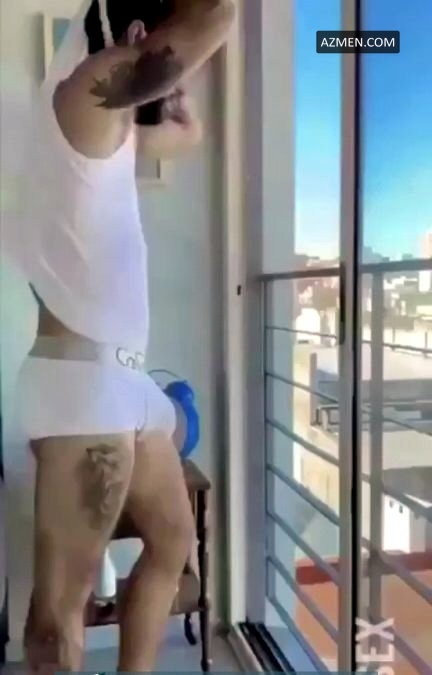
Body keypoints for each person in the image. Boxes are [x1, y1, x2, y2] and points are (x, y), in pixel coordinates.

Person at [7, 0, 235, 672]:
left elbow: (177, 138)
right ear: (136, 38)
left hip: (124, 385)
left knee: (172, 543)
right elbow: (215, 16)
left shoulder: (97, 129)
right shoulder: (84, 93)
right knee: (58, 620)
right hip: (85, 389)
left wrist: (179, 116)